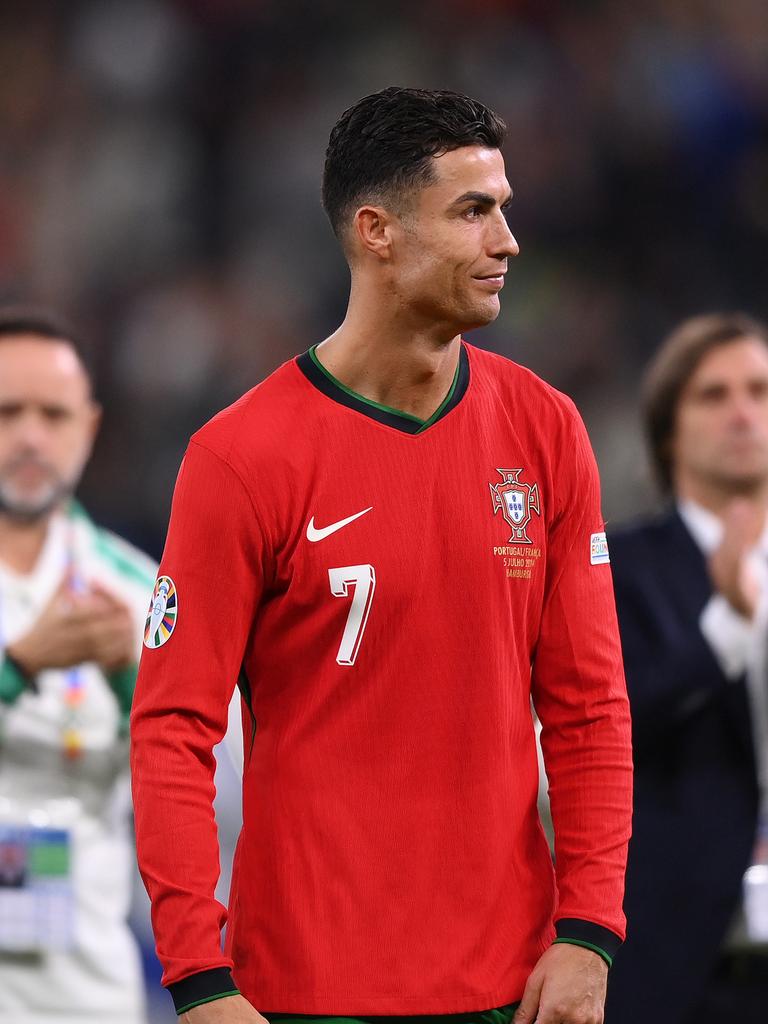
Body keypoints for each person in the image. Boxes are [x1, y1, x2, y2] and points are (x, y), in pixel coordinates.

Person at [130, 87, 633, 1024]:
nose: (507, 241)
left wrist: (589, 931)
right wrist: (198, 982)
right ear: (377, 232)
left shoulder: (547, 429)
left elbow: (590, 707)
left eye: (505, 208)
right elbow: (171, 732)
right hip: (304, 994)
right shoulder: (242, 457)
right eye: (474, 211)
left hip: (509, 989)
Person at [604, 313, 768, 1024]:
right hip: (675, 958)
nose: (743, 412)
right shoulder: (621, 565)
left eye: (761, 391)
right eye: (714, 394)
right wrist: (727, 627)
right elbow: (608, 716)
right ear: (668, 427)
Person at [0, 309, 157, 1024]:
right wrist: (21, 664)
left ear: (87, 429)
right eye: (7, 412)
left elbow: (218, 782)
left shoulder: (139, 589)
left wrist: (134, 679)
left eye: (53, 415)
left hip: (84, 993)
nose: (31, 436)